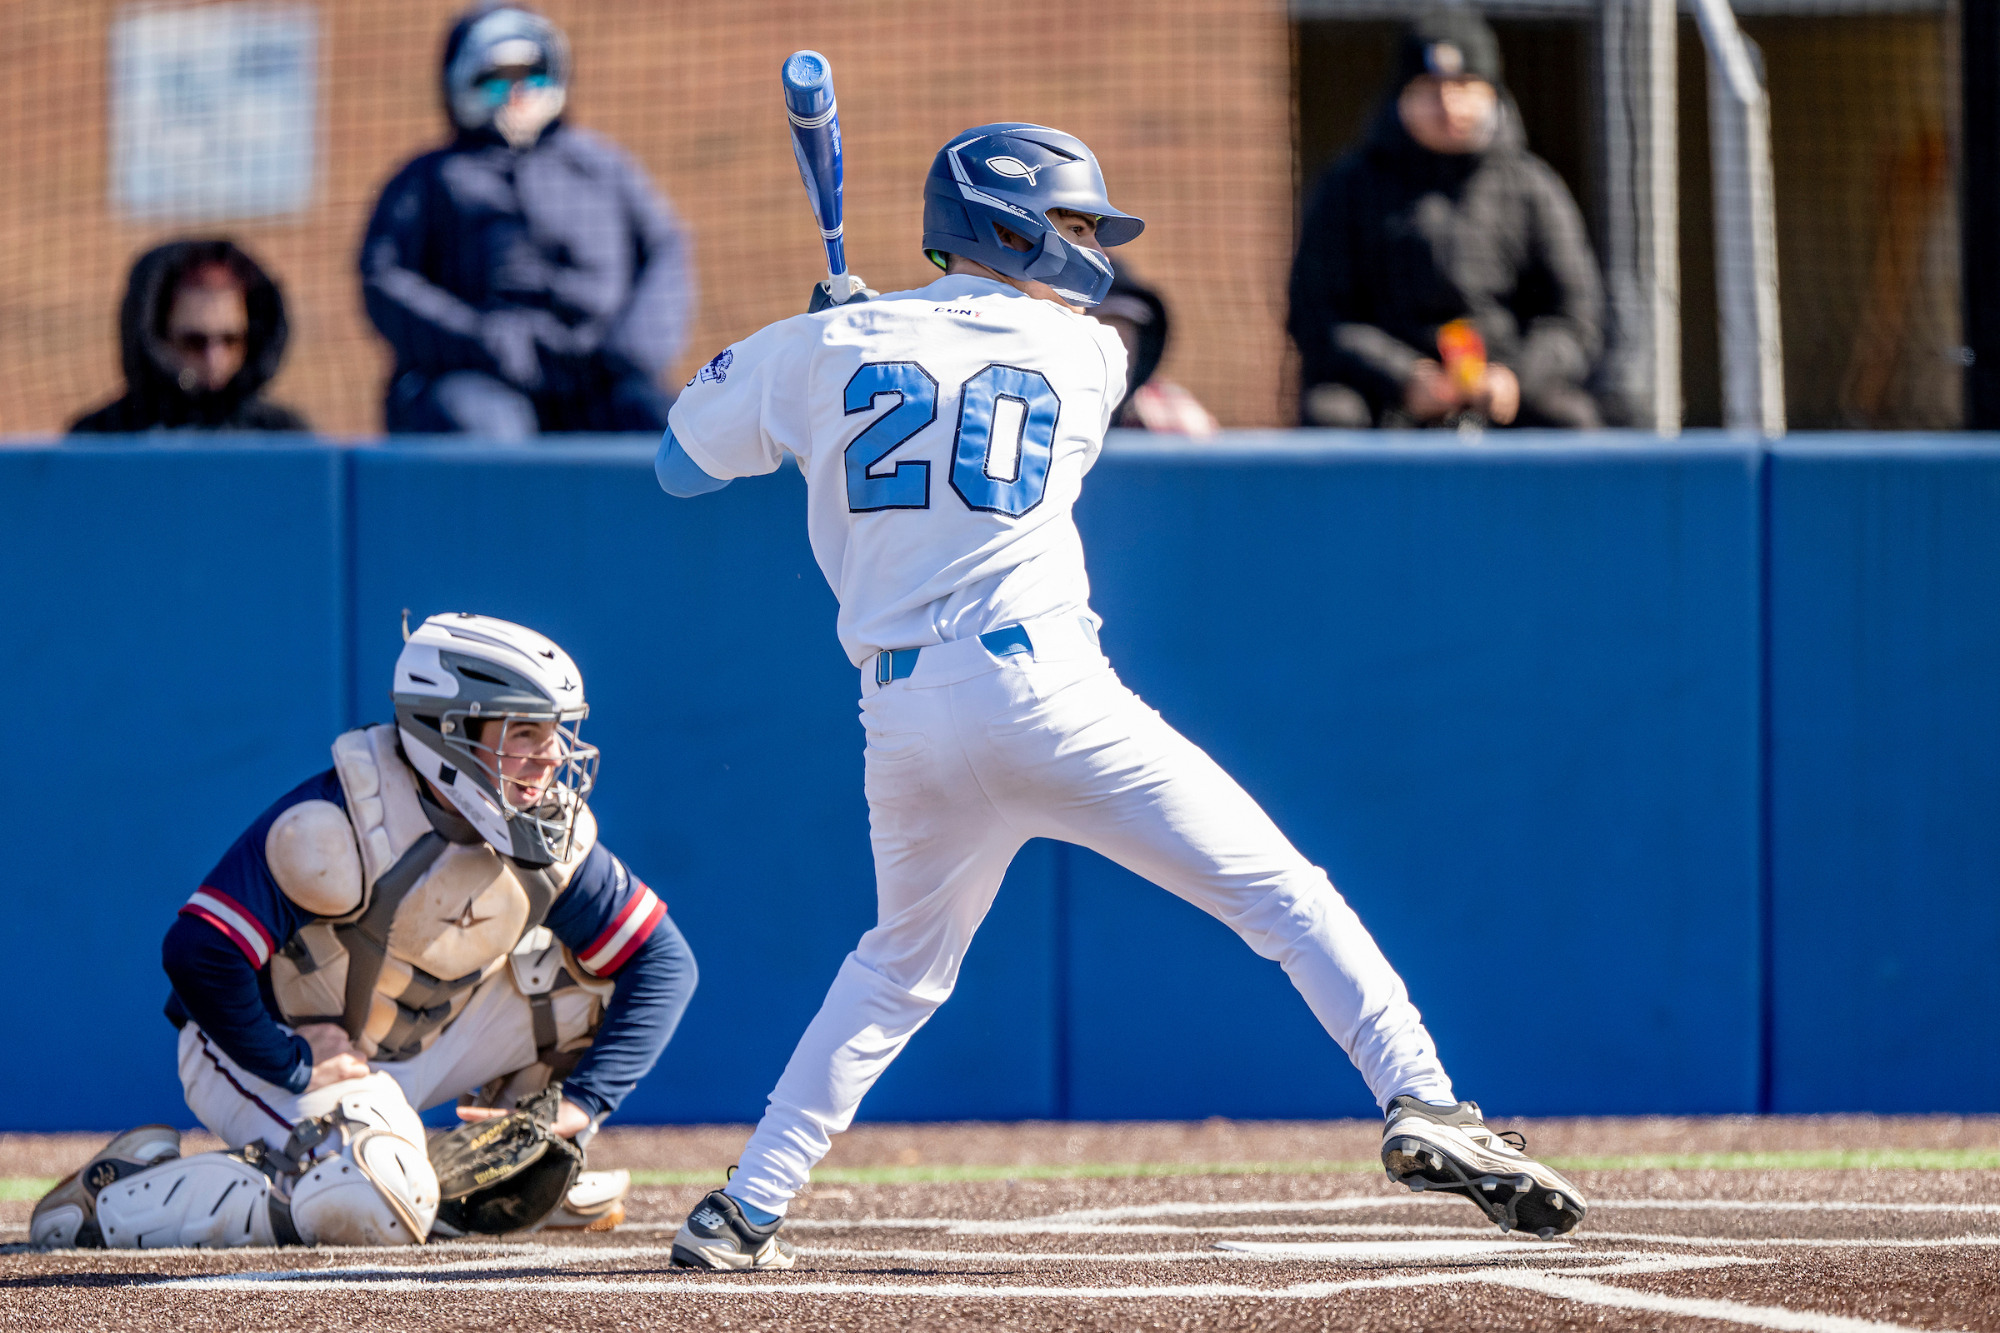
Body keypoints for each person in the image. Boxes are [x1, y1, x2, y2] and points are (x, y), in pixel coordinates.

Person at [652, 121, 1587, 1271]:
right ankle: (1423, 1098)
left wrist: (814, 349)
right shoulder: (1087, 353)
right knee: (1283, 895)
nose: (1089, 246)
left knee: (894, 971)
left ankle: (745, 1207)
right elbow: (974, 372)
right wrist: (847, 335)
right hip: (1044, 693)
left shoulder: (827, 343)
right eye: (1073, 223)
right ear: (1010, 225)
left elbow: (680, 462)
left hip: (899, 719)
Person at [30, 614, 696, 1249]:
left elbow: (662, 962)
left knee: (583, 985)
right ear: (448, 729)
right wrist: (283, 1057)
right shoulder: (335, 824)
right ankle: (110, 1203)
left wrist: (578, 1104)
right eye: (524, 733)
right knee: (379, 1200)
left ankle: (499, 1180)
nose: (550, 758)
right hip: (258, 1053)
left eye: (553, 732)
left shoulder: (550, 835)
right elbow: (198, 950)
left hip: (405, 1050)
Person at [360, 5, 694, 437]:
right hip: (477, 377)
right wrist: (479, 338)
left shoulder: (602, 167)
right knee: (483, 434)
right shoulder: (428, 180)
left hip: (600, 378)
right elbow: (384, 277)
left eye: (532, 74)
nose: (517, 92)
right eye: (496, 78)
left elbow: (667, 248)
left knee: (667, 432)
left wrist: (629, 353)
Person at [1287, 7, 1603, 430]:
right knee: (1331, 416)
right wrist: (1405, 377)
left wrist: (1514, 378)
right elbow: (1316, 315)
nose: (1448, 104)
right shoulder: (1349, 188)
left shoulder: (1533, 188)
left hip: (1502, 384)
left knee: (1571, 421)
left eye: (1463, 86)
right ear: (1401, 97)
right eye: (1430, 88)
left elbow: (1575, 319)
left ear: (1492, 95)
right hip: (1386, 394)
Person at [69, 239, 309, 434]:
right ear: (157, 338)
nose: (215, 359)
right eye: (194, 342)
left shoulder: (282, 436)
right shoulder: (102, 437)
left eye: (231, 340)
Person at [1094, 264, 1218, 437]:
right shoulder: (1047, 403)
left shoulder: (1177, 420)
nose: (1120, 347)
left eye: (1127, 332)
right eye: (1104, 327)